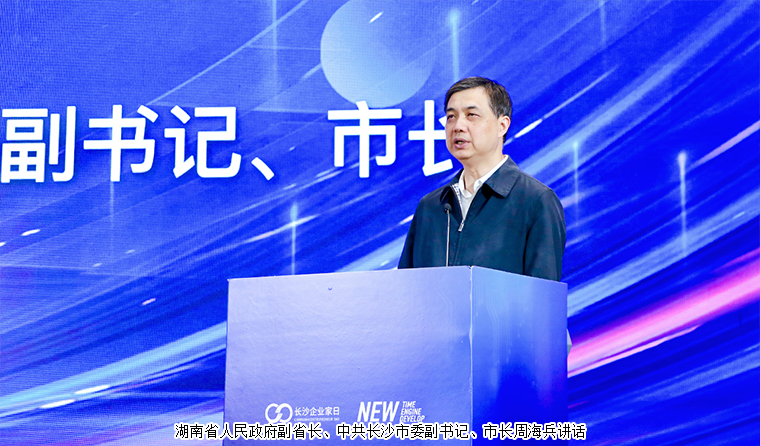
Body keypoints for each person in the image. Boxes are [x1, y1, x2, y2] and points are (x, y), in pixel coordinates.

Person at [398, 76, 570, 351]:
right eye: (451, 117)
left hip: (503, 361)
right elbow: (403, 297)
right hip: (431, 363)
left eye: (471, 115)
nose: (458, 126)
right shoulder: (431, 207)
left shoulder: (535, 201)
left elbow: (542, 310)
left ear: (503, 125)